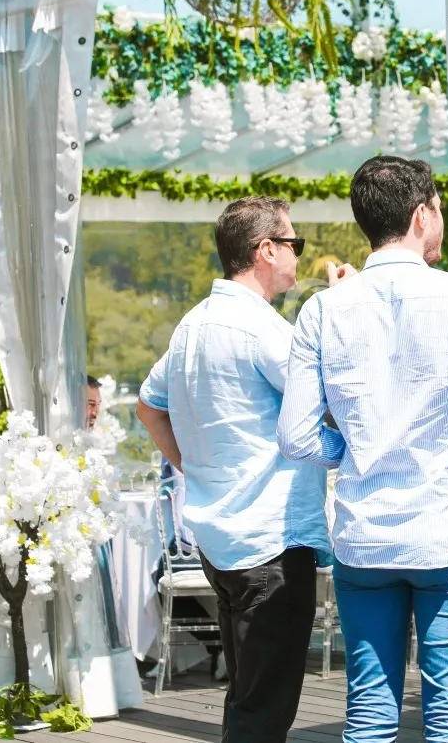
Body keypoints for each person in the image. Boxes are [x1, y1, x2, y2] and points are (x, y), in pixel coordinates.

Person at [277, 155, 448, 742]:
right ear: (420, 215)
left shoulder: (322, 309)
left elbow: (296, 437)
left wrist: (356, 449)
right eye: (438, 208)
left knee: (369, 713)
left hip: (365, 537)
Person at [136, 197, 344, 743]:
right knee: (262, 709)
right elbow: (330, 399)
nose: (299, 255)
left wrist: (195, 468)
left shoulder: (192, 325)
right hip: (269, 539)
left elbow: (148, 406)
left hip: (219, 537)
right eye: (294, 243)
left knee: (248, 697)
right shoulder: (262, 328)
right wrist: (341, 311)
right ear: (266, 249)